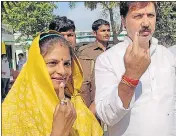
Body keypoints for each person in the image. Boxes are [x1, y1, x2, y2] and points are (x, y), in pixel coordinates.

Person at [95, 2, 176, 136]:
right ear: (123, 21)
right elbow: (106, 116)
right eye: (138, 16)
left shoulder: (167, 56)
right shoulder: (107, 59)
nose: (146, 23)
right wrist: (130, 77)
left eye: (150, 15)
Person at [2, 31, 103, 136]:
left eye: (67, 64)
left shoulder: (76, 106)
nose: (62, 71)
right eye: (52, 63)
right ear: (36, 65)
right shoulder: (12, 112)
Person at [77, 19, 111, 115]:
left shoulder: (113, 51)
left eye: (108, 30)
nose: (107, 33)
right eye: (103, 31)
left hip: (110, 96)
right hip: (92, 98)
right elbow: (83, 79)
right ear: (94, 33)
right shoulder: (85, 52)